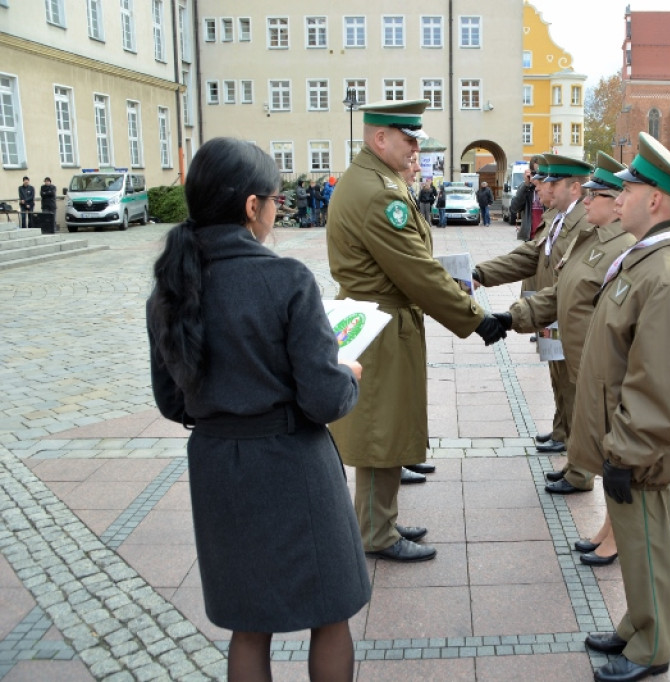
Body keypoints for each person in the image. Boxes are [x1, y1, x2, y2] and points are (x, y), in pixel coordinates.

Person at [147, 137, 370, 682]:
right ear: (252, 207)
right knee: (330, 611)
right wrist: (348, 374)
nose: (276, 211)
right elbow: (323, 397)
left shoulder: (170, 289)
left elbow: (172, 400)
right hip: (295, 462)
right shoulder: (286, 279)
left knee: (248, 625)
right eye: (275, 200)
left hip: (220, 466)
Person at [325, 100, 506, 563]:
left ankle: (378, 519)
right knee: (380, 430)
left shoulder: (374, 179)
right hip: (382, 324)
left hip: (381, 318)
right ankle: (375, 532)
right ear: (380, 138)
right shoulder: (378, 193)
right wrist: (475, 318)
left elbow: (415, 265)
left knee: (385, 424)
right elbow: (418, 272)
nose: (415, 150)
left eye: (417, 142)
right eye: (408, 140)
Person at [577, 132, 670, 682]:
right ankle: (637, 623)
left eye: (629, 188)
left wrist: (628, 450)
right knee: (634, 543)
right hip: (624, 440)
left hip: (638, 447)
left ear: (654, 199)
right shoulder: (648, 261)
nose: (620, 197)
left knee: (648, 544)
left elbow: (662, 386)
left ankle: (652, 647)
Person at [495, 152, 637, 562]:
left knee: (614, 451)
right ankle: (608, 530)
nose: (587, 200)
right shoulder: (595, 239)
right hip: (584, 357)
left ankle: (615, 537)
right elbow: (563, 290)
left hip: (605, 367)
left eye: (597, 193)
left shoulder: (623, 247)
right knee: (604, 446)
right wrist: (511, 317)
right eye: (588, 192)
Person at [474, 154, 594, 486]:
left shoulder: (586, 221)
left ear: (573, 187)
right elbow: (530, 256)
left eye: (547, 181)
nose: (538, 185)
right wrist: (480, 273)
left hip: (568, 314)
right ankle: (563, 437)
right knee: (560, 379)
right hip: (549, 311)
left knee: (575, 389)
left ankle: (580, 468)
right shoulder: (557, 216)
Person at [510, 155, 545, 241]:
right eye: (534, 173)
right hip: (530, 237)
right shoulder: (526, 188)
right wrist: (526, 185)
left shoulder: (549, 187)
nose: (537, 176)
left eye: (540, 173)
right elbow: (514, 208)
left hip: (545, 236)